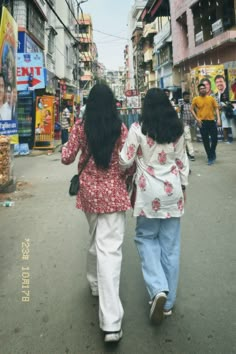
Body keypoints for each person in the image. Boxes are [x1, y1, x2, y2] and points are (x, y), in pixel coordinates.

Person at [61, 83, 133, 343]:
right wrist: (123, 178)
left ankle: (94, 283)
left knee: (96, 241)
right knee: (109, 252)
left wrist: (69, 142)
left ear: (89, 104)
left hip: (90, 196)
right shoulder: (120, 128)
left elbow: (66, 158)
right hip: (114, 194)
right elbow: (128, 161)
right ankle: (111, 323)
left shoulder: (81, 127)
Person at [119, 88, 189, 325]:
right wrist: (184, 188)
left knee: (146, 239)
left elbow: (124, 160)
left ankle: (158, 288)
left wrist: (136, 158)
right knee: (170, 246)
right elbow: (182, 163)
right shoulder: (177, 130)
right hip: (173, 192)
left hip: (148, 194)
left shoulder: (138, 129)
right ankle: (168, 304)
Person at [190, 83, 221, 165]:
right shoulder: (196, 99)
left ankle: (212, 152)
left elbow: (216, 108)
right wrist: (197, 119)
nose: (203, 89)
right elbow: (191, 109)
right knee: (206, 140)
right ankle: (210, 157)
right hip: (202, 122)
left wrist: (218, 119)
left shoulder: (211, 98)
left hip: (211, 121)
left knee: (215, 139)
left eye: (204, 88)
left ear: (206, 89)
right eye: (201, 89)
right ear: (199, 90)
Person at [179, 91, 196, 160]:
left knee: (190, 138)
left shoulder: (192, 104)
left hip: (192, 123)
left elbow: (195, 112)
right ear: (183, 97)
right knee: (188, 138)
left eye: (188, 96)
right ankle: (192, 154)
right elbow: (180, 114)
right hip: (185, 123)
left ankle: (187, 152)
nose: (187, 97)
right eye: (186, 96)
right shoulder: (181, 104)